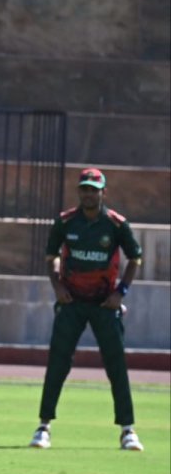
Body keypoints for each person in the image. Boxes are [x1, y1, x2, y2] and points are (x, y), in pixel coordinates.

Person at [30, 167, 144, 452]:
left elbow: (135, 259)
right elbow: (51, 257)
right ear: (79, 191)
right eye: (85, 188)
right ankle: (43, 426)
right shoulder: (66, 222)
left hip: (105, 304)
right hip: (72, 303)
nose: (89, 194)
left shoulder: (116, 225)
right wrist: (57, 287)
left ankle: (127, 431)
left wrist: (121, 293)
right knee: (57, 363)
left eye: (94, 189)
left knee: (116, 365)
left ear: (103, 192)